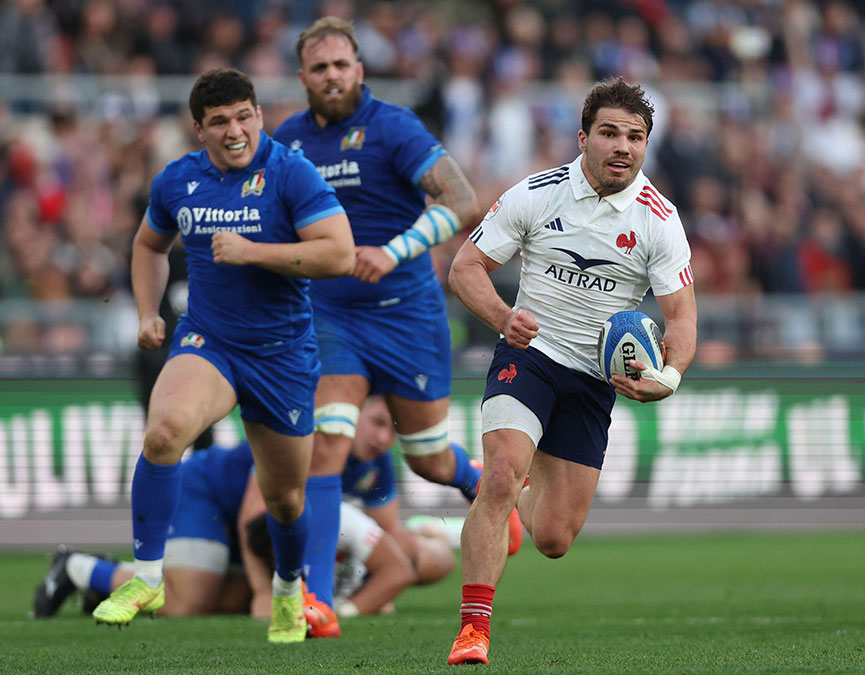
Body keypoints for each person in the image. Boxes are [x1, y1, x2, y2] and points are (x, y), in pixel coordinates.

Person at [91, 68, 355, 645]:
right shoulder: (177, 181)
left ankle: (289, 590)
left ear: (258, 115)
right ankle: (148, 577)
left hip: (283, 356)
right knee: (164, 434)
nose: (234, 131)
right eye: (219, 122)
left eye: (243, 117)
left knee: (284, 499)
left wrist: (254, 252)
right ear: (199, 129)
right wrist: (146, 311)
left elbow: (339, 254)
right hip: (209, 341)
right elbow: (147, 244)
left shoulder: (291, 174)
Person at [271, 17, 519, 620]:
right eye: (320, 67)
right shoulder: (286, 142)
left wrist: (394, 251)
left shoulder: (393, 127)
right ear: (303, 77)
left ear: (359, 69)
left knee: (427, 458)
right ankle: (319, 605)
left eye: (341, 65)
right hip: (330, 313)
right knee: (327, 446)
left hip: (407, 313)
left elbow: (462, 201)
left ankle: (473, 478)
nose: (332, 76)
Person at [444, 77, 697, 665]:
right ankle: (474, 629)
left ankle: (507, 501)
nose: (622, 146)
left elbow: (681, 317)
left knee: (554, 539)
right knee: (502, 475)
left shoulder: (660, 220)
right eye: (610, 132)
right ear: (583, 138)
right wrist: (504, 318)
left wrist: (670, 377)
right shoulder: (535, 194)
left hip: (593, 380)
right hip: (528, 356)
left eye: (635, 137)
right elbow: (465, 268)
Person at [35, 438, 457, 624]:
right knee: (188, 603)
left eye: (390, 428)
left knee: (425, 558)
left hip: (267, 537)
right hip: (211, 496)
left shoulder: (376, 456)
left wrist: (371, 593)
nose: (384, 437)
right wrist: (262, 594)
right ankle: (80, 568)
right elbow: (253, 520)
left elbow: (390, 546)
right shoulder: (307, 439)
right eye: (378, 422)